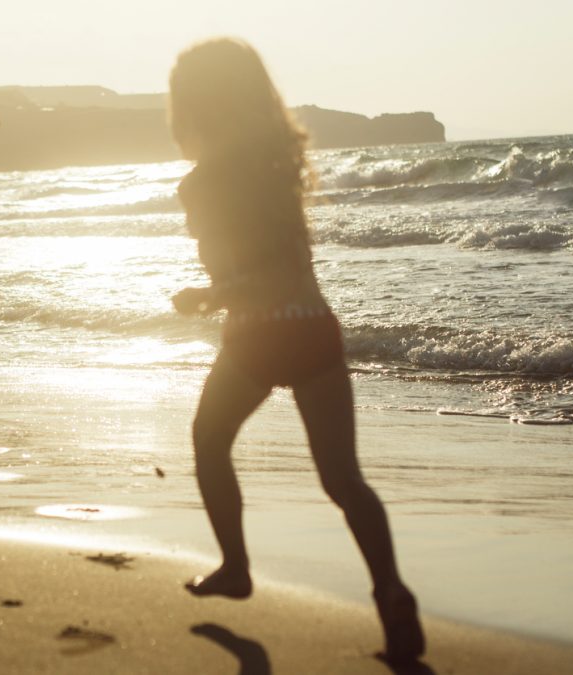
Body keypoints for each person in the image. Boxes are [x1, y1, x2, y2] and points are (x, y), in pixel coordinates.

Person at [167, 38, 425, 662]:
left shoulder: (203, 184)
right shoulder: (278, 166)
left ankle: (235, 566)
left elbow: (251, 280)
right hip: (314, 328)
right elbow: (290, 269)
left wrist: (206, 295)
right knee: (343, 479)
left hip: (259, 336)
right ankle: (389, 589)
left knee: (208, 438)